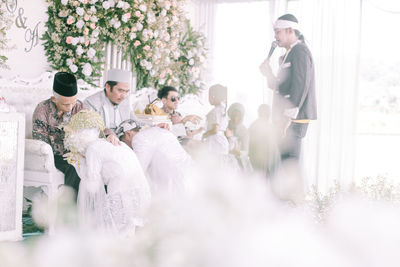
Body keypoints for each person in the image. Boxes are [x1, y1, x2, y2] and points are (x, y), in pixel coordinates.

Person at [63, 110, 151, 235]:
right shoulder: (117, 144)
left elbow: (92, 183)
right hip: (143, 194)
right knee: (130, 235)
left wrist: (79, 163)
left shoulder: (93, 149)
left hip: (120, 196)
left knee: (115, 237)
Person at [259, 13, 317, 161]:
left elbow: (300, 85)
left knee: (290, 165)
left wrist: (287, 119)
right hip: (285, 118)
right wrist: (268, 73)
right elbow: (279, 87)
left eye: (278, 32)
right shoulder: (289, 54)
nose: (275, 37)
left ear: (290, 30)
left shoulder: (300, 51)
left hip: (292, 120)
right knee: (286, 165)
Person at [32, 72, 85, 194]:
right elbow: (40, 142)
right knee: (73, 168)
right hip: (52, 156)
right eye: (66, 104)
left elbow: (94, 125)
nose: (71, 107)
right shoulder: (42, 109)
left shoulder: (80, 106)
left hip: (76, 154)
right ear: (54, 99)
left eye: (73, 102)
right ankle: (68, 209)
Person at [117, 119, 193, 198]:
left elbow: (139, 171)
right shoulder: (159, 131)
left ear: (128, 134)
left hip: (176, 186)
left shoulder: (139, 138)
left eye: (124, 142)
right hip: (191, 178)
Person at [84, 68, 136, 145]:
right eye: (120, 90)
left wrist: (153, 126)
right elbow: (91, 128)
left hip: (122, 143)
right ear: (108, 87)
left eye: (127, 91)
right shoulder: (91, 102)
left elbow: (134, 119)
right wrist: (108, 134)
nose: (124, 96)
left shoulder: (125, 100)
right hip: (101, 144)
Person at [248, 104, 280, 175]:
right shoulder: (258, 126)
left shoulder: (255, 125)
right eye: (267, 113)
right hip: (261, 160)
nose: (269, 115)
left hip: (267, 161)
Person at [202, 84, 230, 154]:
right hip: (223, 140)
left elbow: (215, 129)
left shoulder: (214, 112)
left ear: (213, 96)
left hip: (214, 141)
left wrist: (204, 135)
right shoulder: (224, 110)